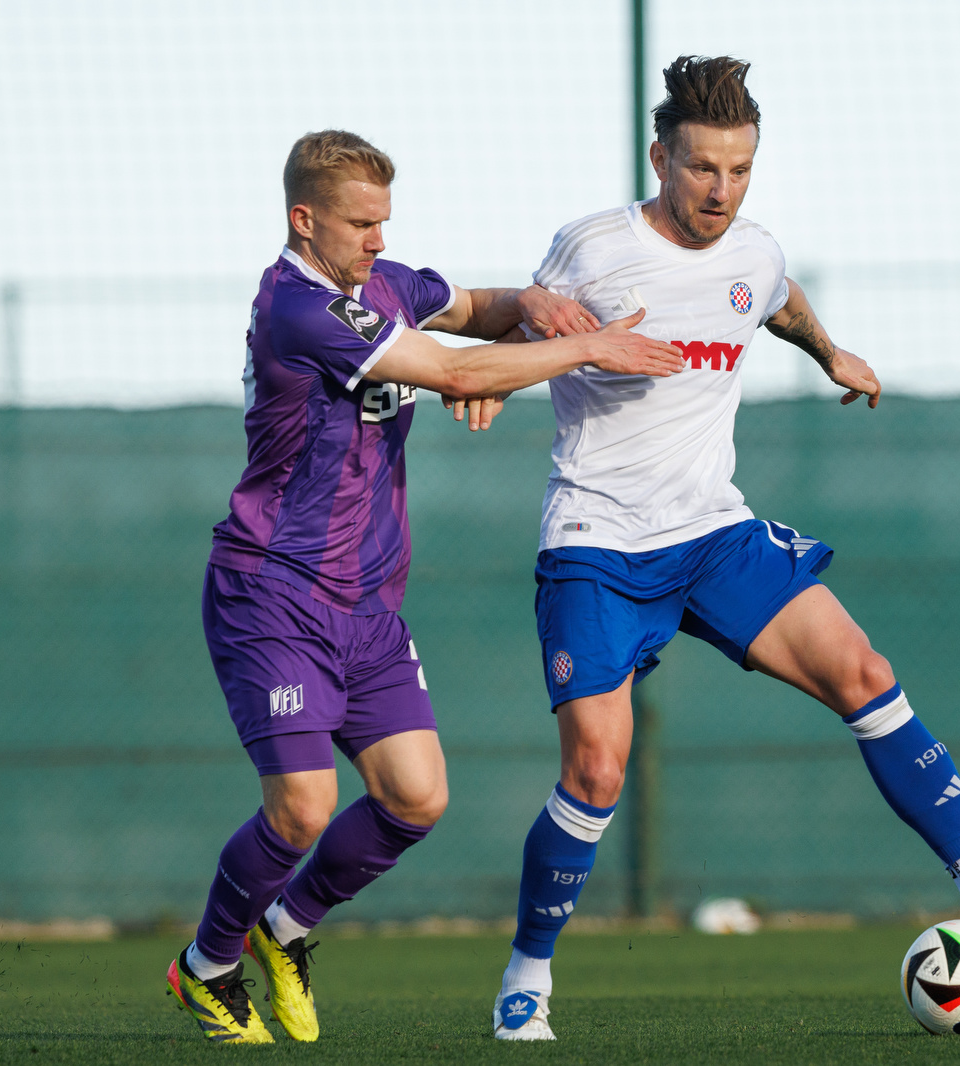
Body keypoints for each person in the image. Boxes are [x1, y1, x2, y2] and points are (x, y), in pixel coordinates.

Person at [490, 57, 960, 1042]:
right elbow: (523, 313)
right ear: (661, 158)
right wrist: (518, 336)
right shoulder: (594, 248)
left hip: (713, 532)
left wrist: (828, 352)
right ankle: (527, 972)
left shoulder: (756, 253)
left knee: (864, 669)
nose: (719, 190)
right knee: (598, 770)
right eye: (700, 169)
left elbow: (770, 301)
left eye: (738, 170)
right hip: (597, 545)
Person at [164, 129, 685, 1045]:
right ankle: (206, 967)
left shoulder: (386, 282)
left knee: (416, 797)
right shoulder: (298, 307)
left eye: (384, 221)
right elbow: (452, 369)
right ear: (304, 219)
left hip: (368, 607)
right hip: (274, 595)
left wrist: (535, 307)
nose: (377, 238)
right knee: (305, 806)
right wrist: (586, 348)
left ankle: (285, 933)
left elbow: (476, 311)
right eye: (361, 223)